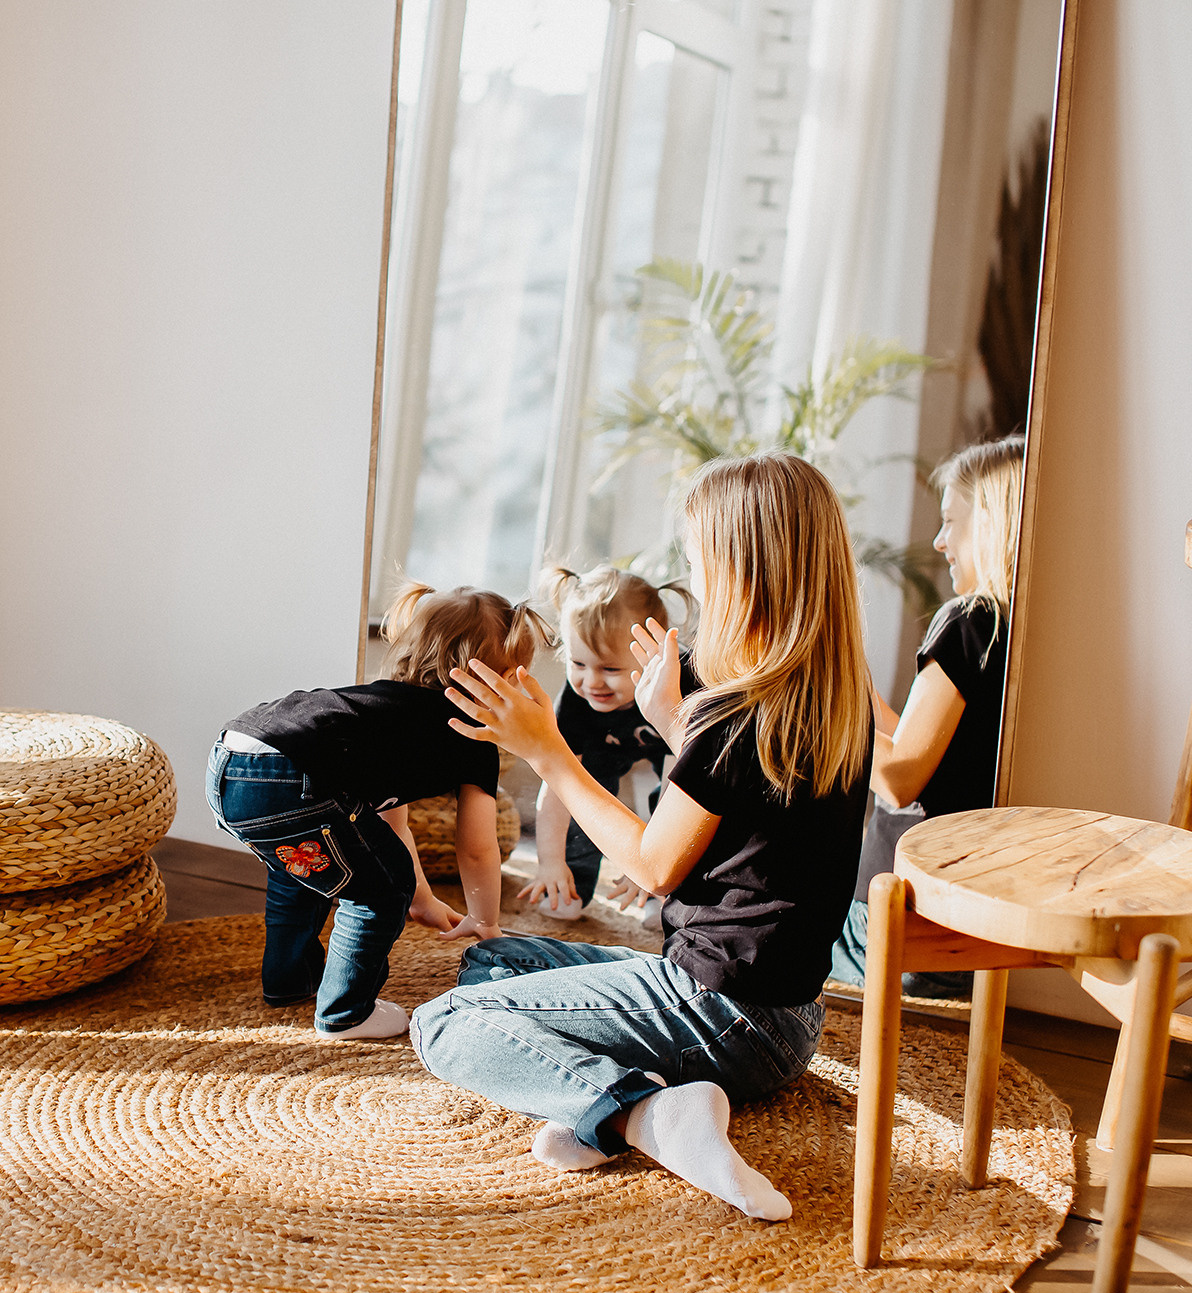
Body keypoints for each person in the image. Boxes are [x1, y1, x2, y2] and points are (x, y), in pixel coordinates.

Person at [412, 453, 874, 1220]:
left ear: (741, 572)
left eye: (699, 563)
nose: (694, 586)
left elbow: (655, 865)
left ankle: (639, 1111)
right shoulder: (826, 704)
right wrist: (670, 721)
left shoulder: (735, 714)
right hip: (790, 1013)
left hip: (722, 1010)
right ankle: (640, 1090)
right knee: (495, 962)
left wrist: (548, 754)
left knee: (448, 1021)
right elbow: (740, 820)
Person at [208, 584, 550, 1040]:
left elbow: (391, 828)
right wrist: (485, 920)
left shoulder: (383, 712)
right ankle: (346, 1014)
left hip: (232, 760)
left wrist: (423, 900)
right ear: (501, 679)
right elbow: (476, 848)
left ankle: (289, 982)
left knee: (303, 875)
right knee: (381, 892)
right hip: (290, 773)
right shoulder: (471, 735)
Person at [830, 436, 1024, 1000]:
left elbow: (899, 781)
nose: (940, 542)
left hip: (902, 931)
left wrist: (824, 712)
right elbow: (936, 757)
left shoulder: (969, 621)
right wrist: (860, 699)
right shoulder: (1017, 630)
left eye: (950, 523)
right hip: (967, 930)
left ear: (991, 523)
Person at [520, 566, 695, 922]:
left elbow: (681, 787)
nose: (591, 682)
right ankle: (567, 885)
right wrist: (549, 862)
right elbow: (558, 784)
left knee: (688, 818)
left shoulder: (682, 684)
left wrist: (651, 866)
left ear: (654, 655)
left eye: (610, 669)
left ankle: (667, 899)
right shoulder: (576, 701)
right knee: (585, 792)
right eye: (578, 663)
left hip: (674, 747)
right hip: (602, 744)